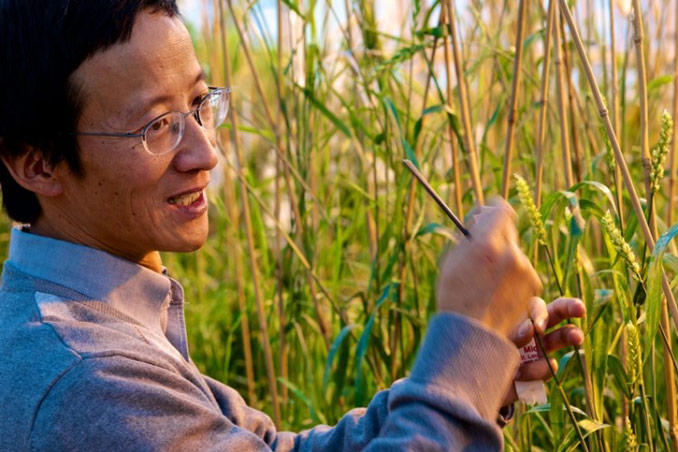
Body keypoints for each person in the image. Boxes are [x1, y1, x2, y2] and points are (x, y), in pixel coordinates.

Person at [0, 1, 586, 450]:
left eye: (201, 104)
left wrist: (482, 369)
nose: (206, 154)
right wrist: (466, 340)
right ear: (36, 162)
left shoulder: (88, 322)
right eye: (156, 126)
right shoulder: (85, 382)